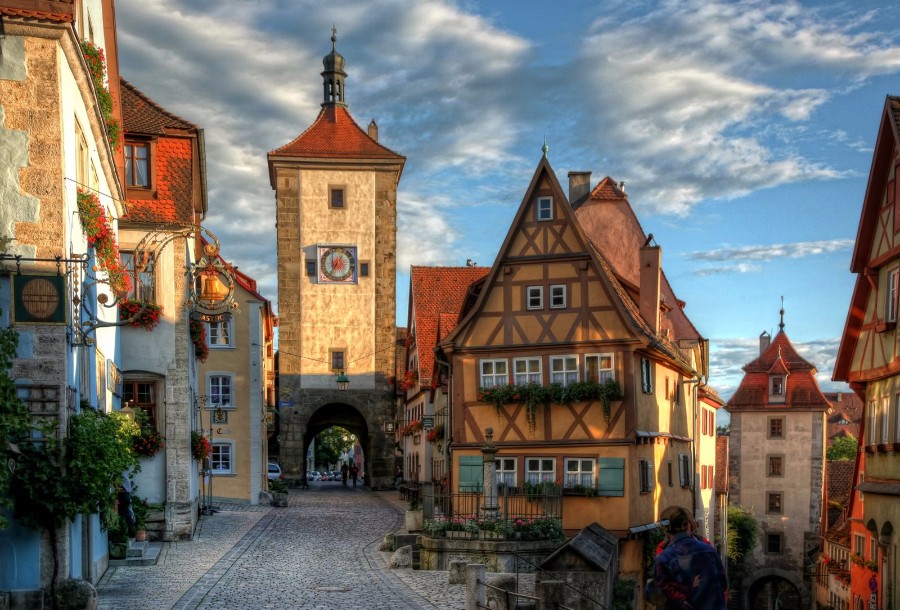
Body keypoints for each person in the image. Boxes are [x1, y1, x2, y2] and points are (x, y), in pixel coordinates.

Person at [649, 508, 727, 610]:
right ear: (688, 525)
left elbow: (659, 590)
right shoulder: (709, 550)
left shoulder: (663, 557)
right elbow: (723, 583)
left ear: (667, 530)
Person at [118, 469, 136, 538]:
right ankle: (131, 532)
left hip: (124, 496)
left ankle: (124, 532)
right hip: (127, 496)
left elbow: (122, 489)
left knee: (122, 513)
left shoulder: (122, 476)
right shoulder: (125, 476)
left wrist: (116, 488)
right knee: (127, 513)